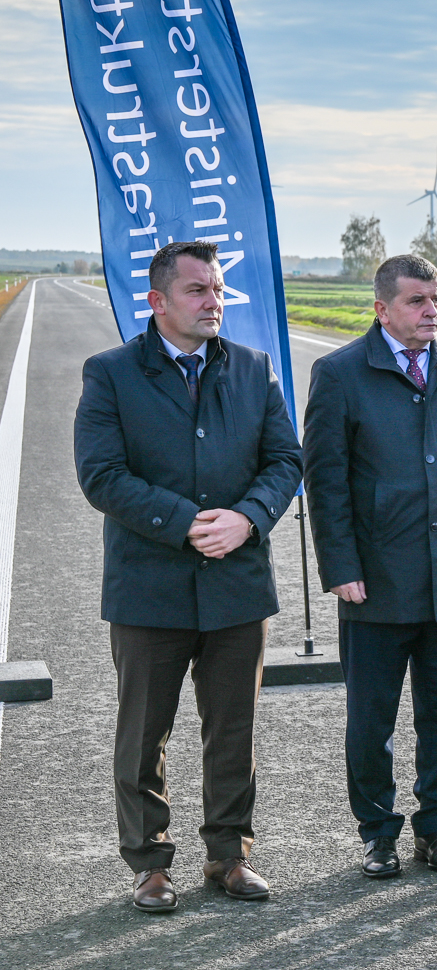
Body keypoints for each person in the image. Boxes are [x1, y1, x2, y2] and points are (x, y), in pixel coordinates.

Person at [74, 240, 302, 912]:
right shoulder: (111, 373)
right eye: (198, 290)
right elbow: (101, 474)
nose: (214, 302)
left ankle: (229, 856)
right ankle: (150, 864)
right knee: (144, 734)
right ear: (158, 300)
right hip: (150, 586)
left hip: (237, 583)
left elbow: (285, 461)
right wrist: (187, 523)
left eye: (219, 289)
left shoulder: (253, 368)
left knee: (233, 731)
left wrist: (248, 519)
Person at [303, 254, 437, 878]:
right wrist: (341, 565)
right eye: (417, 300)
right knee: (372, 719)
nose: (432, 310)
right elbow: (326, 482)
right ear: (382, 309)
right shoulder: (340, 373)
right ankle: (378, 832)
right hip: (376, 580)